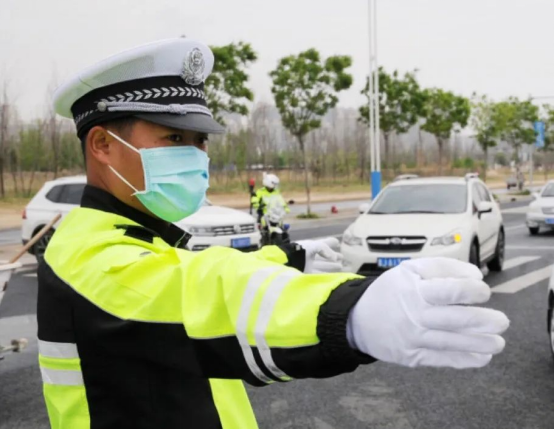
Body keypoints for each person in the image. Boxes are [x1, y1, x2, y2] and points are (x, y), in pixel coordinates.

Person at [37, 38, 509, 429]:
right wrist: (347, 312)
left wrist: (291, 257)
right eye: (174, 138)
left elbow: (194, 274)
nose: (196, 155)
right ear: (102, 144)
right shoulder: (88, 254)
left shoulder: (140, 235)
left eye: (200, 141)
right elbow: (204, 292)